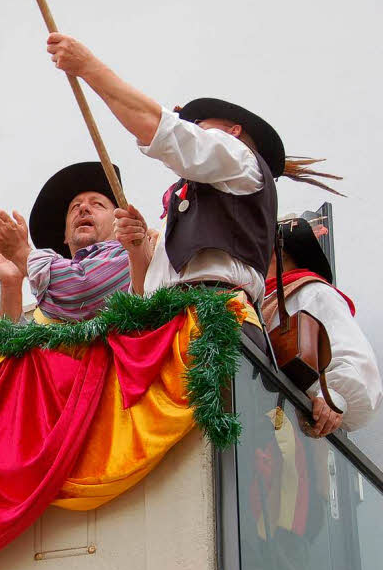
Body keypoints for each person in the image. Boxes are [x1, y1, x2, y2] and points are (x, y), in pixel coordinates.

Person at [47, 33, 292, 348]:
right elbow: (145, 293)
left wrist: (88, 66)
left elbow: (158, 127)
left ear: (234, 131)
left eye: (198, 123)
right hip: (171, 327)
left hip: (213, 320)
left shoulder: (240, 158)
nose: (191, 128)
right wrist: (138, 250)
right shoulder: (192, 211)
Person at [0, 162, 151, 323]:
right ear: (65, 235)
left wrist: (20, 253)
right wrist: (10, 285)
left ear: (118, 223)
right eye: (75, 207)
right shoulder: (49, 300)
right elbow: (13, 348)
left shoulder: (130, 255)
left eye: (98, 204)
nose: (83, 208)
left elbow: (81, 289)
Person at [262, 217, 381, 435]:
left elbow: (356, 359)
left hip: (292, 430)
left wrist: (333, 397)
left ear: (281, 253)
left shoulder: (313, 292)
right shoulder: (257, 299)